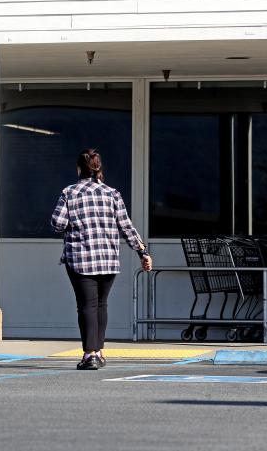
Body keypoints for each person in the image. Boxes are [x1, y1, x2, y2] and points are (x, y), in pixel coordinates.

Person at [51, 148, 153, 370]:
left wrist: (75, 224)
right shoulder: (112, 194)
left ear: (79, 168)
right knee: (101, 304)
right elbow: (126, 227)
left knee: (86, 306)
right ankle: (100, 351)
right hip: (108, 259)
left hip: (79, 258)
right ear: (98, 168)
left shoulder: (69, 193)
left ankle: (90, 355)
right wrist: (142, 252)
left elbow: (57, 223)